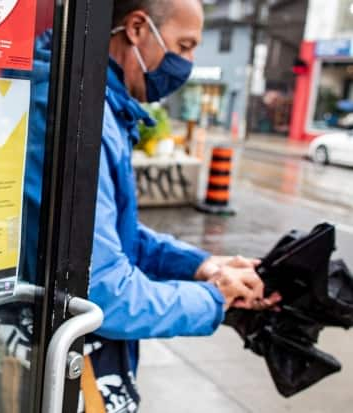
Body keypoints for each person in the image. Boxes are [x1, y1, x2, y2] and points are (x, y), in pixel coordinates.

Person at [23, 0, 281, 411]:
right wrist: (214, 298)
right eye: (185, 44)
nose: (190, 61)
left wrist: (201, 265)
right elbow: (105, 291)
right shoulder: (75, 110)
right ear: (138, 29)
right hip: (45, 359)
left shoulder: (99, 103)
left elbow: (110, 234)